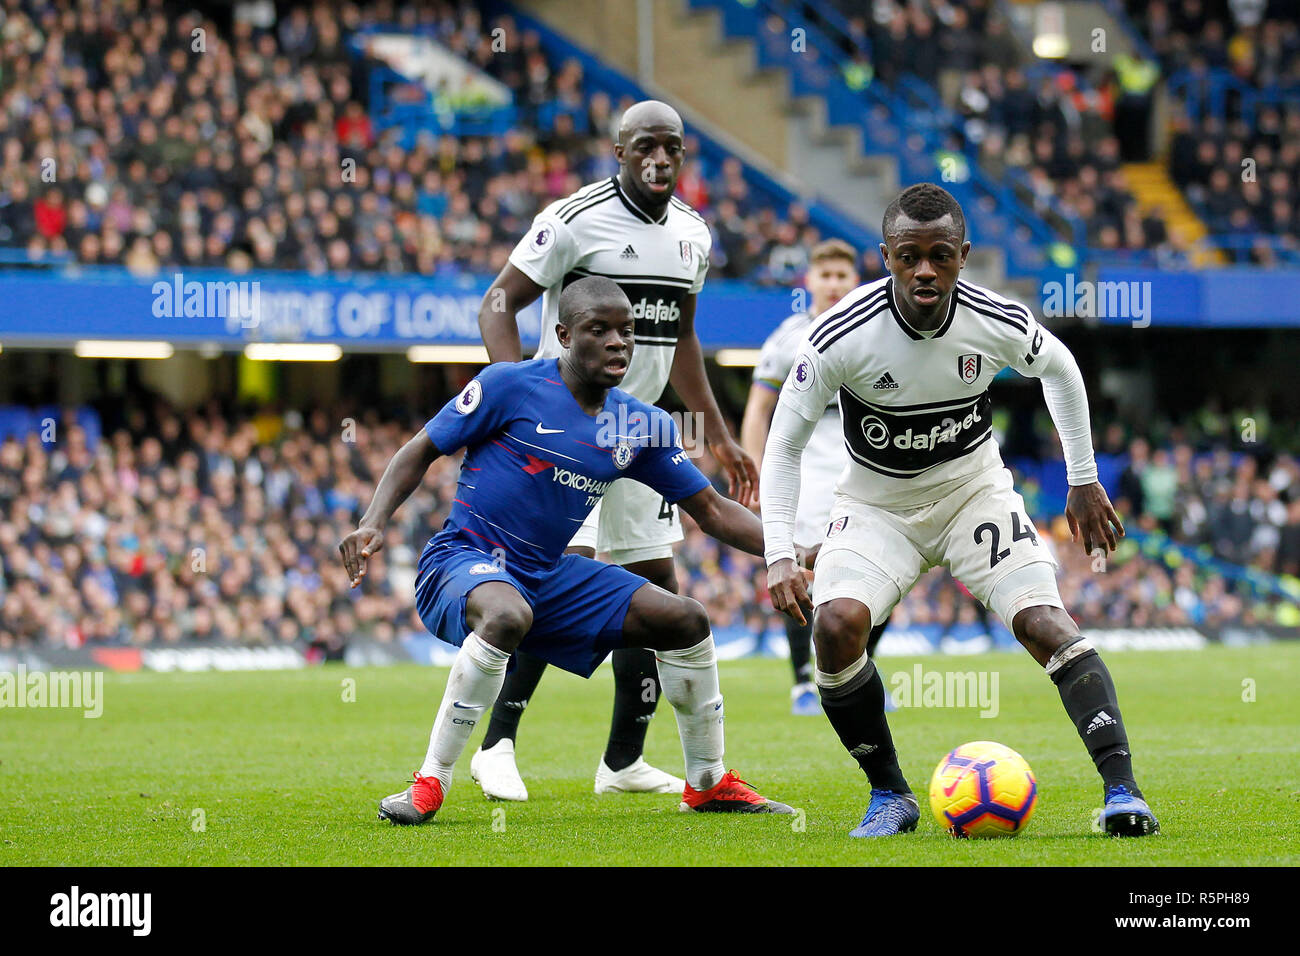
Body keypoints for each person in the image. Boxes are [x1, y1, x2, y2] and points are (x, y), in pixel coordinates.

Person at [762, 183, 1159, 838]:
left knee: (1045, 622)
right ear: (886, 255)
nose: (925, 270)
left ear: (963, 255)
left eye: (940, 256)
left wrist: (1082, 480)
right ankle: (890, 794)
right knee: (834, 629)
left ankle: (1123, 791)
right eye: (909, 255)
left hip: (973, 493)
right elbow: (783, 447)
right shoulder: (837, 335)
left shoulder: (994, 318)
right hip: (876, 505)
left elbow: (1059, 368)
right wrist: (780, 550)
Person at [340, 277, 792, 824]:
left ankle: (707, 781)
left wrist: (790, 549)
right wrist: (372, 522)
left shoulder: (639, 424)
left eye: (627, 331)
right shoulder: (508, 385)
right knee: (507, 613)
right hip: (463, 558)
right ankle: (430, 782)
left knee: (685, 618)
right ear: (562, 335)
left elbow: (714, 511)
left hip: (548, 576)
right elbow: (420, 449)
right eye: (598, 330)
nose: (618, 342)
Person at [470, 99, 758, 801]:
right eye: (644, 148)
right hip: (568, 432)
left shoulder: (694, 235)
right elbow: (496, 305)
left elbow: (682, 339)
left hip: (642, 434)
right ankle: (496, 744)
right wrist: (519, 400)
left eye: (671, 148)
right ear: (619, 151)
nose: (659, 160)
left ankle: (623, 761)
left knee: (656, 590)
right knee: (560, 582)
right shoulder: (572, 219)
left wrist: (716, 431)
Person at [739, 239, 891, 715]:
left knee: (884, 569)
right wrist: (758, 475)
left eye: (841, 276)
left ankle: (859, 666)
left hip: (865, 470)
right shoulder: (788, 337)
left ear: (854, 282)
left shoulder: (877, 332)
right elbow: (758, 410)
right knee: (801, 572)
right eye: (824, 276)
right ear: (810, 281)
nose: (832, 285)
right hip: (804, 468)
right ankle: (804, 680)